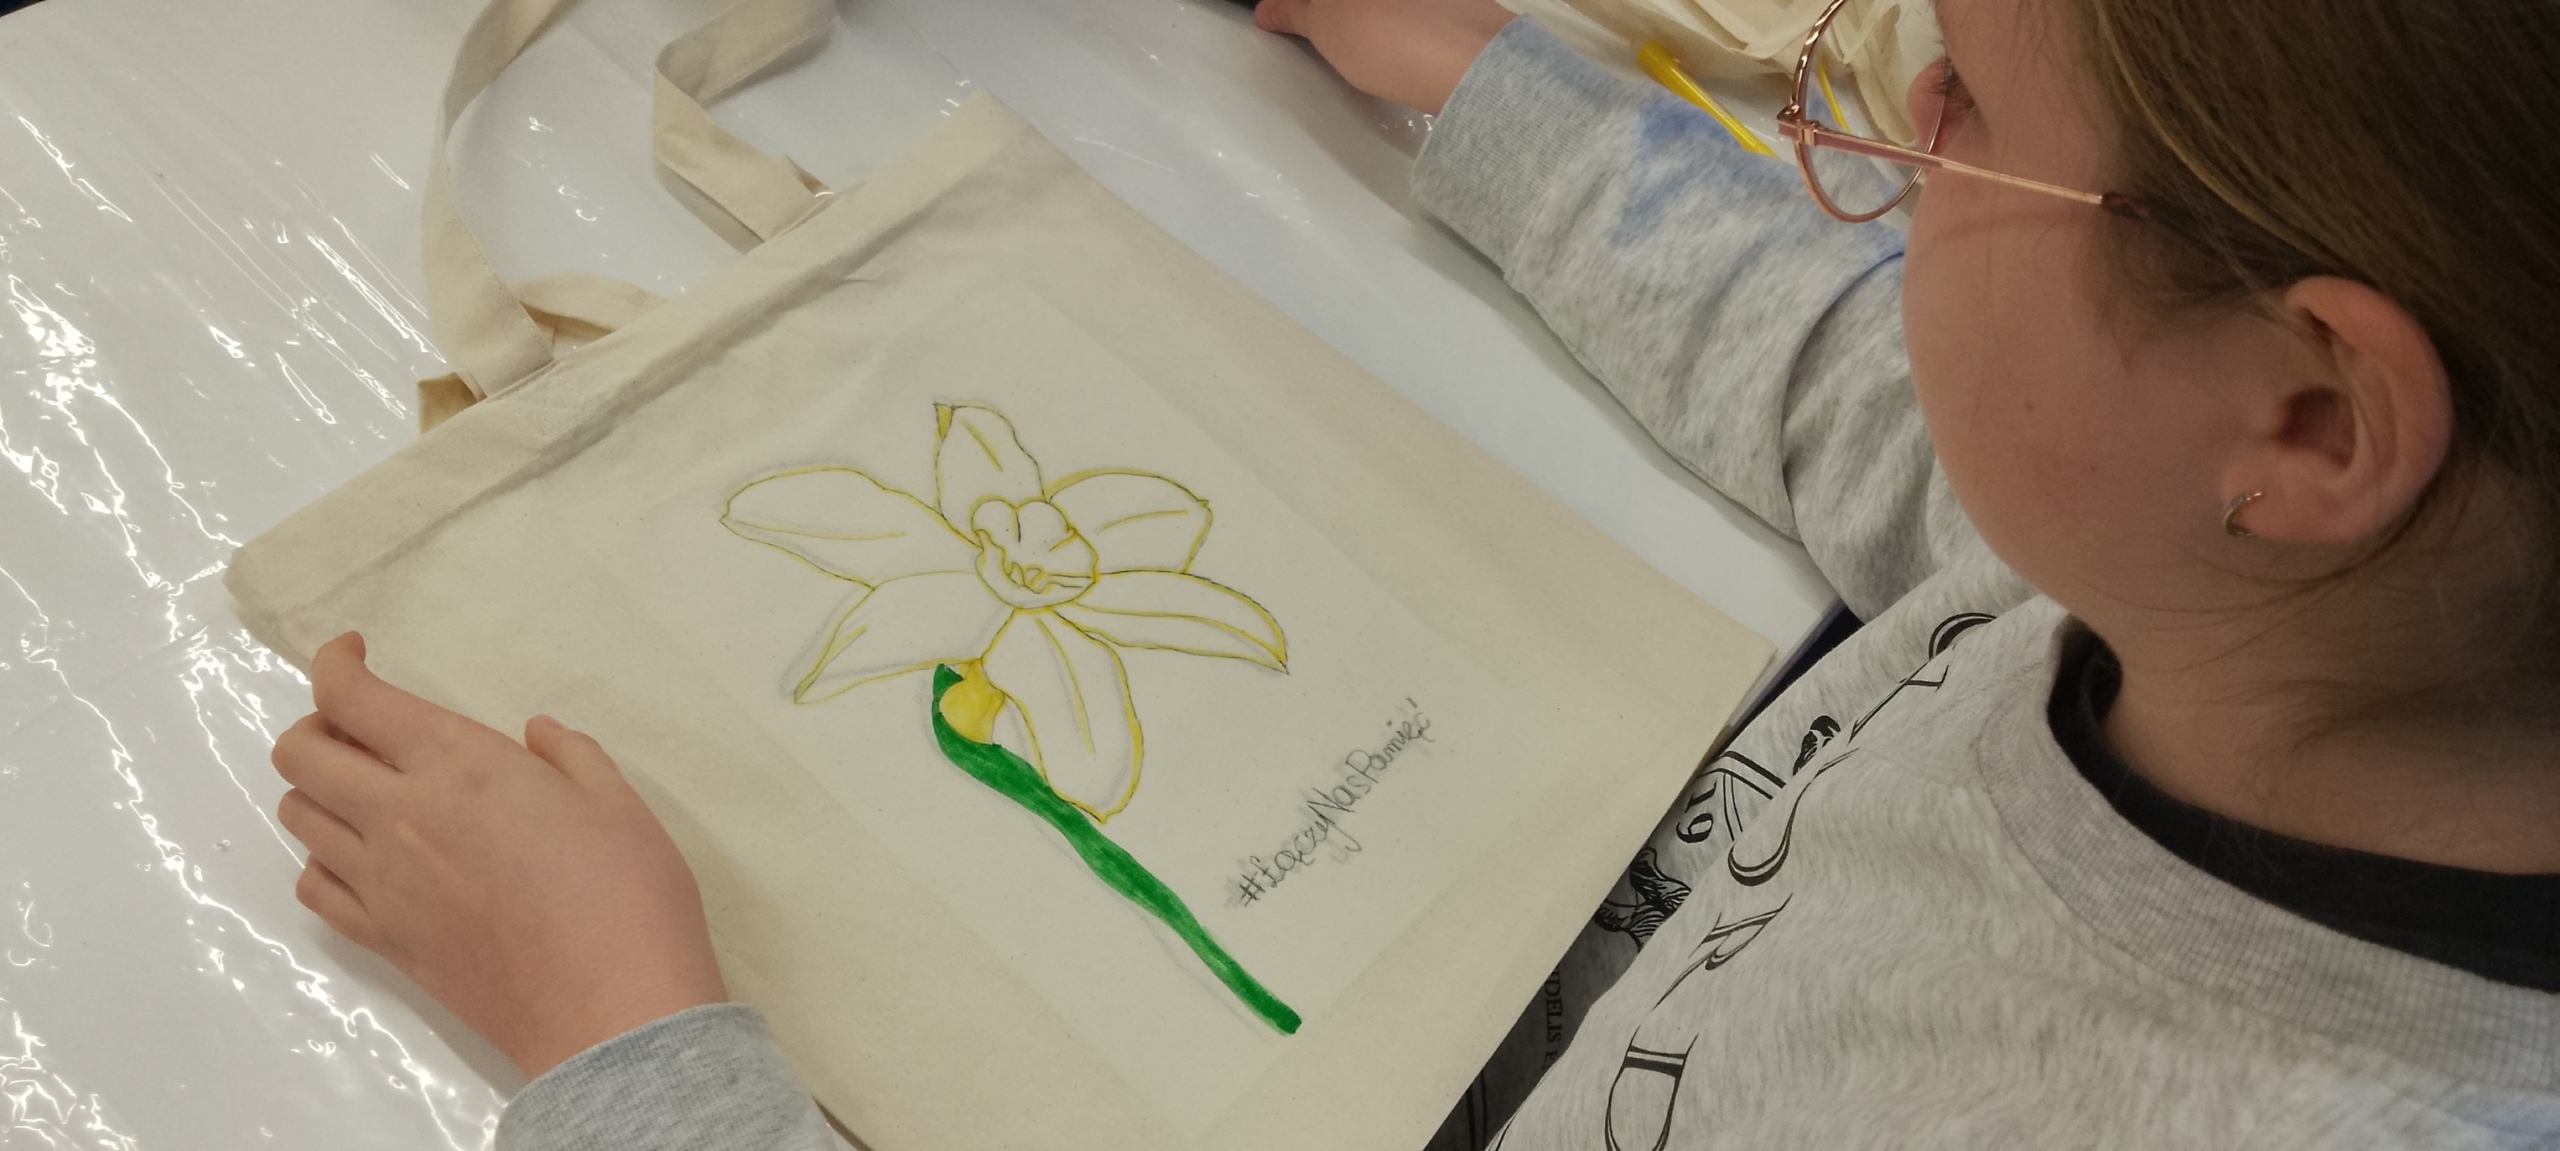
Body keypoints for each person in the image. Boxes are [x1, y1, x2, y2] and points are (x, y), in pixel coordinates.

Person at [266, 0, 2560, 1145]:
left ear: (2303, 423)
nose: (1885, 141)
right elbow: (1874, 396)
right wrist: (1487, 83)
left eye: (1951, 108)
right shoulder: (2292, 618)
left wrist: (627, 1043)